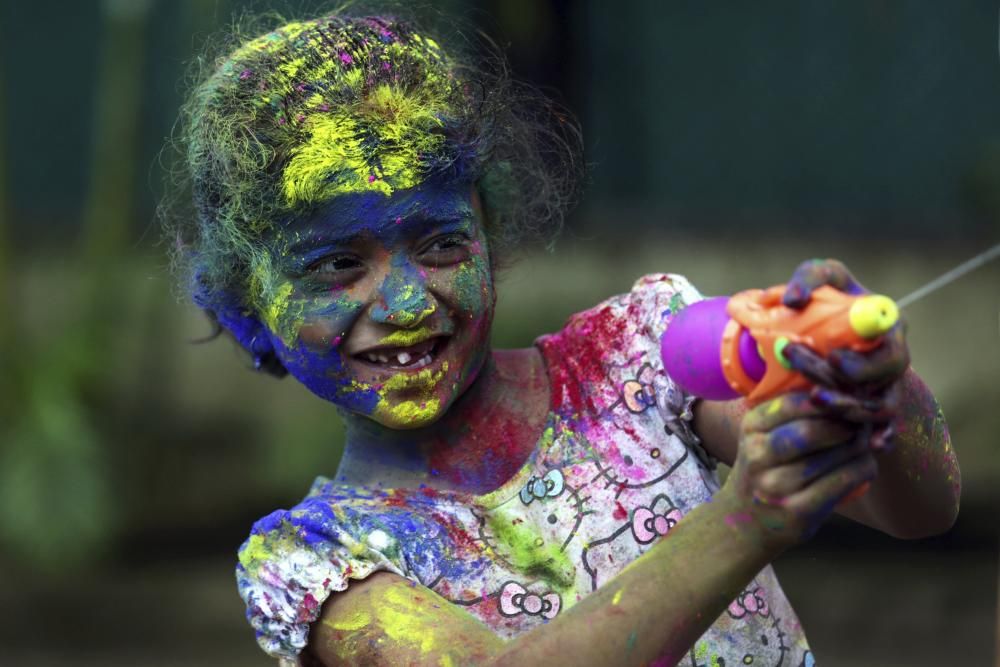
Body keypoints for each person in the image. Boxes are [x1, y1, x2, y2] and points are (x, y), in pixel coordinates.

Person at [164, 12, 961, 666]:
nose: (408, 300)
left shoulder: (638, 357)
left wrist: (871, 385)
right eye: (340, 264)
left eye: (442, 243)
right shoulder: (313, 563)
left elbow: (923, 508)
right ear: (246, 300)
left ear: (490, 233)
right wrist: (744, 519)